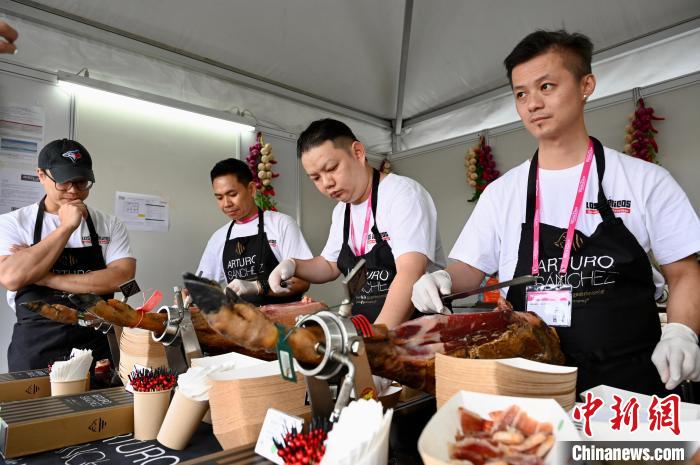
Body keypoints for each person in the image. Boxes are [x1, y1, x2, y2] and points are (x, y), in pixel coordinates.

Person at [411, 30, 700, 396]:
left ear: (586, 85)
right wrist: (443, 280)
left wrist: (681, 331)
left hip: (631, 385)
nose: (532, 103)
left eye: (546, 86)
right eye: (521, 94)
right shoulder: (503, 192)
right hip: (531, 384)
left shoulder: (645, 181)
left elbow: (685, 272)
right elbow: (471, 268)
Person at [268, 119, 445, 327]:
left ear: (358, 153)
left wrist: (375, 337)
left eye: (332, 168)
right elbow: (329, 265)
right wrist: (294, 264)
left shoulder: (402, 194)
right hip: (368, 329)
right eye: (315, 178)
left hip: (418, 330)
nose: (327, 183)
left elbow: (410, 272)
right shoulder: (342, 210)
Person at [0, 139, 135, 371]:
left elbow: (122, 278)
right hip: (37, 347)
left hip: (97, 346)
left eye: (81, 182)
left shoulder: (109, 224)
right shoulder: (13, 223)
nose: (73, 191)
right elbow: (12, 277)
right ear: (41, 175)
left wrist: (45, 277)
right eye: (64, 182)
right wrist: (66, 227)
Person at [197, 158, 312, 305]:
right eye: (219, 197)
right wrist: (193, 293)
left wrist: (258, 287)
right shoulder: (219, 238)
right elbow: (204, 287)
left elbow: (302, 281)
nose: (226, 204)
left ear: (251, 189)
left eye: (232, 194)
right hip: (241, 324)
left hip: (283, 322)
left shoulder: (281, 224)